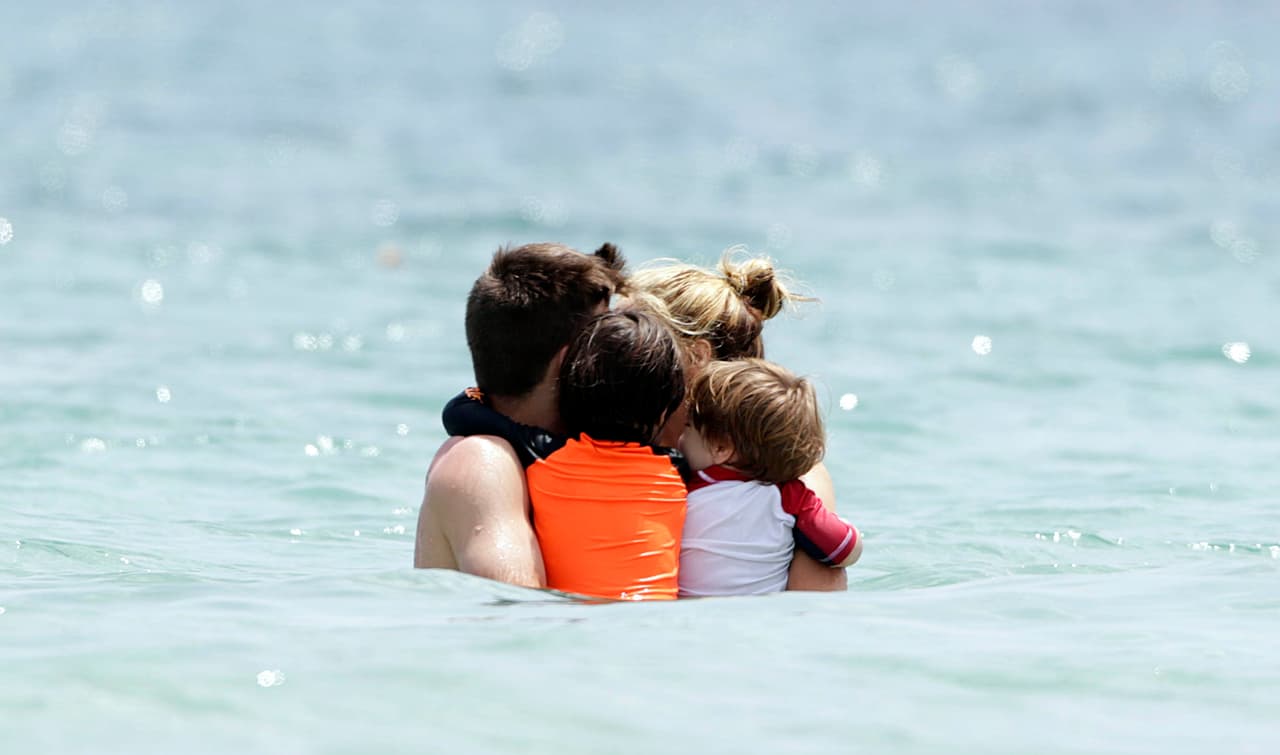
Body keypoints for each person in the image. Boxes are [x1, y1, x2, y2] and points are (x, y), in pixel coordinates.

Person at [628, 251, 856, 590]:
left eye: (635, 338)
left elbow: (818, 592)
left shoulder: (787, 477)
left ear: (698, 357)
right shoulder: (614, 443)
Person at [412, 242, 624, 586]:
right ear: (569, 360)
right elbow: (518, 614)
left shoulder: (564, 451)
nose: (620, 356)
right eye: (607, 343)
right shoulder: (481, 462)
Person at [441, 310, 689, 600]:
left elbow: (458, 412)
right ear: (666, 408)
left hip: (578, 621)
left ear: (569, 386)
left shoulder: (544, 452)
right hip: (654, 617)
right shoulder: (677, 469)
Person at [677, 358, 861, 597]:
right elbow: (845, 550)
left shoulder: (684, 486)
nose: (681, 438)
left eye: (688, 427)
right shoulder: (788, 496)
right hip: (761, 617)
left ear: (721, 448)